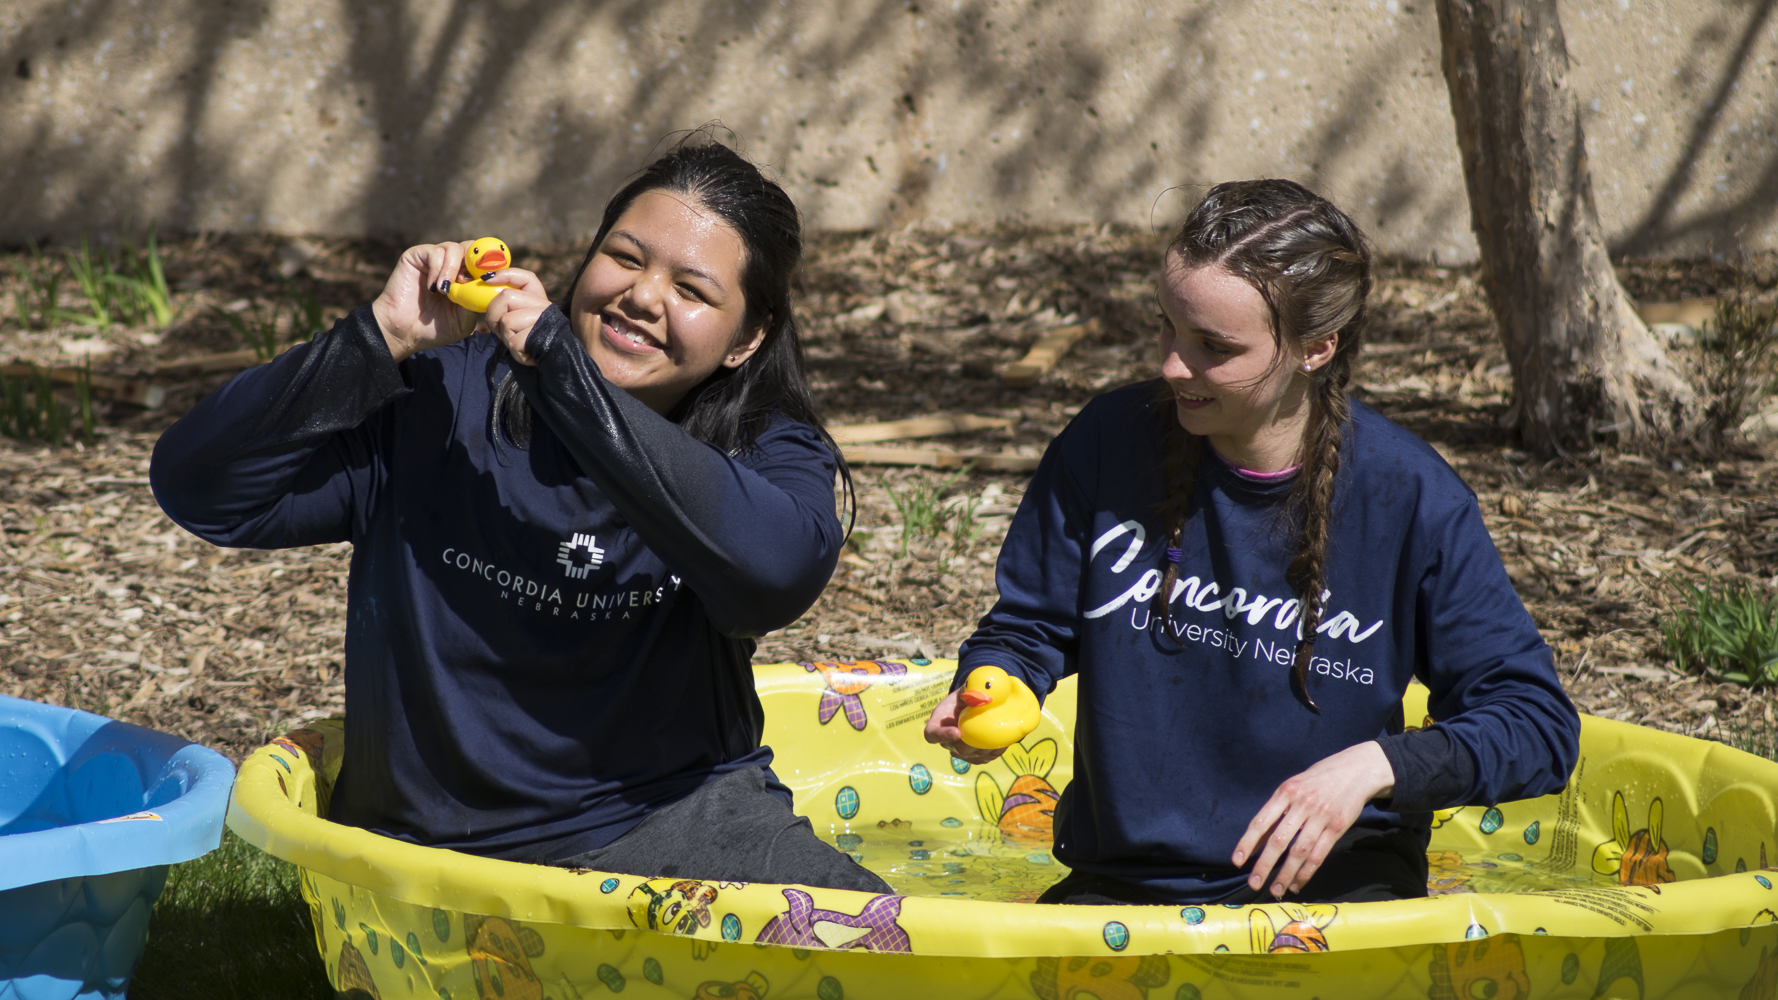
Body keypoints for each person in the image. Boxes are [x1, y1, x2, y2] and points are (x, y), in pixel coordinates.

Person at [153, 138, 890, 892]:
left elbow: (773, 577)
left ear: (748, 337)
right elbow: (201, 488)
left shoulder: (764, 451)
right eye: (625, 257)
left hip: (670, 821)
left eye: (692, 290)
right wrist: (379, 337)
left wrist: (564, 376)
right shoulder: (442, 401)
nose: (643, 296)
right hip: (423, 852)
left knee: (893, 944)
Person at [924, 179, 1580, 906]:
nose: (1173, 365)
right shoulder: (1107, 443)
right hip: (1127, 887)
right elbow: (1027, 629)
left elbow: (1537, 725)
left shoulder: (1411, 497)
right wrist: (994, 682)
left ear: (1316, 348)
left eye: (1215, 347)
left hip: (1338, 899)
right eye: (1168, 327)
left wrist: (1374, 766)